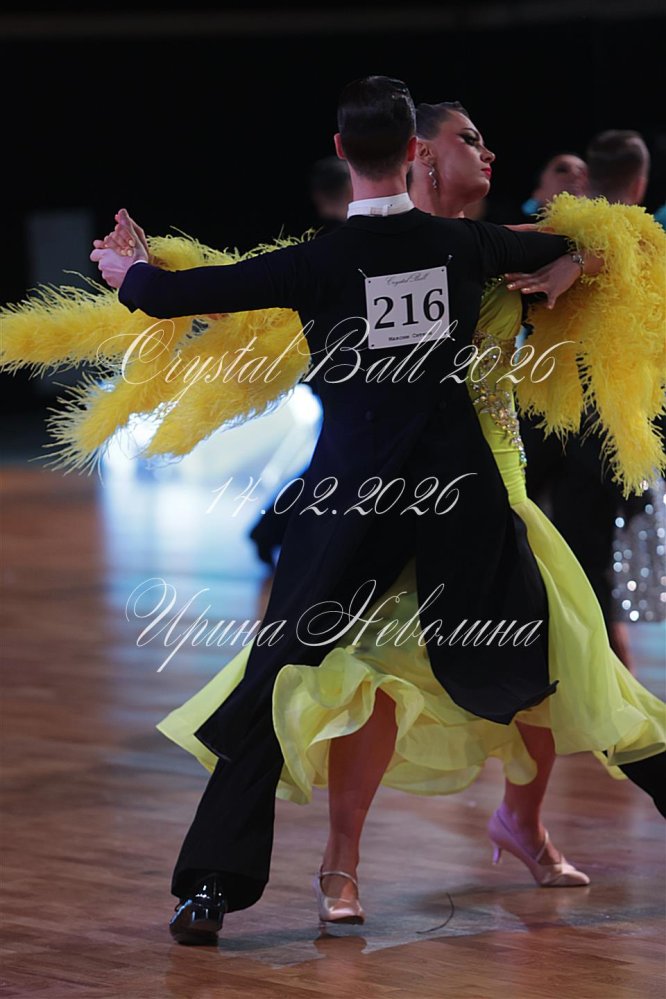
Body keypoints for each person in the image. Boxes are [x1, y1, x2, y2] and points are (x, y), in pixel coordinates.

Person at [90, 75, 585, 943]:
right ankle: (540, 806)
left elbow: (167, 299)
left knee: (275, 673)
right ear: (413, 151)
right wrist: (570, 261)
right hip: (459, 502)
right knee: (560, 654)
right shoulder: (463, 246)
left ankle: (210, 888)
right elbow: (584, 239)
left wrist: (122, 269)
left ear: (340, 148)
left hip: (351, 503)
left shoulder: (317, 262)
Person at [521, 129, 655, 668]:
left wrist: (574, 261)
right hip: (596, 423)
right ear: (640, 182)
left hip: (544, 410)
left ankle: (589, 675)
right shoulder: (633, 234)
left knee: (556, 550)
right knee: (584, 558)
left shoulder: (561, 230)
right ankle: (600, 681)